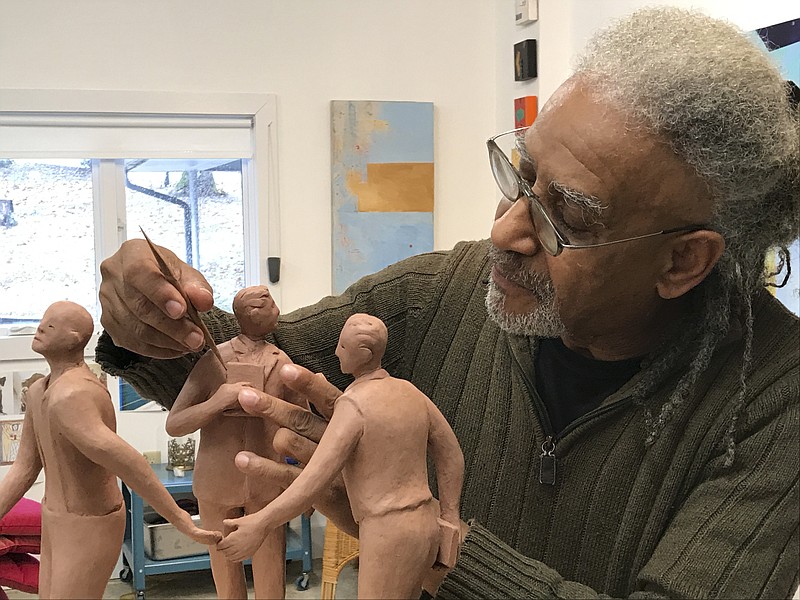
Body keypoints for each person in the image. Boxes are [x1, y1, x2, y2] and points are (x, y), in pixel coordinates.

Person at [95, 7, 799, 598]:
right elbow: (254, 365)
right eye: (521, 176)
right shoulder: (443, 293)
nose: (505, 230)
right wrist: (152, 318)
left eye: (570, 216)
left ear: (682, 261)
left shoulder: (776, 397)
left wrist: (423, 534)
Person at [216, 313, 464, 598]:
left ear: (365, 354)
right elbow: (452, 455)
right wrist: (448, 518)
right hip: (425, 522)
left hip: (387, 531)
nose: (336, 352)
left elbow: (314, 479)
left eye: (343, 347)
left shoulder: (353, 406)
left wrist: (261, 522)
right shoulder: (410, 391)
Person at [0, 301, 221, 600]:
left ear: (77, 338)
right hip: (56, 515)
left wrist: (180, 519)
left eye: (50, 326)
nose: (40, 328)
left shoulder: (73, 395)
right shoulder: (39, 390)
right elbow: (25, 468)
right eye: (42, 321)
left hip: (90, 520)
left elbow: (129, 463)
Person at [165, 285, 306, 599]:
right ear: (253, 313)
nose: (278, 311)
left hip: (267, 481)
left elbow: (304, 423)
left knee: (270, 566)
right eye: (271, 306)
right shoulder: (215, 360)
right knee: (225, 569)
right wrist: (219, 400)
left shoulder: (282, 361)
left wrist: (309, 482)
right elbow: (175, 424)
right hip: (217, 479)